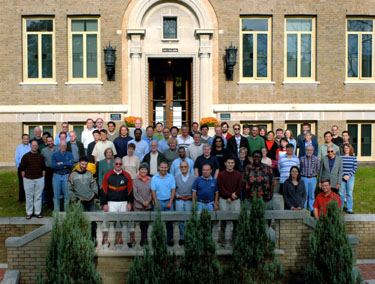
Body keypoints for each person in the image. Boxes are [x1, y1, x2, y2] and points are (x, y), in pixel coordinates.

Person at [101, 158, 134, 246]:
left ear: (122, 164)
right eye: (116, 164)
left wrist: (130, 203)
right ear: (113, 164)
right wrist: (104, 203)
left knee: (125, 222)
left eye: (120, 164)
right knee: (111, 223)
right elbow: (104, 190)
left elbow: (130, 190)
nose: (118, 165)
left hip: (124, 202)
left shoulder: (127, 175)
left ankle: (126, 241)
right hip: (111, 202)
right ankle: (111, 241)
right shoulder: (107, 175)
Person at [217, 157, 242, 246]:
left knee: (236, 221)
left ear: (234, 164)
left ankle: (235, 240)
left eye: (232, 163)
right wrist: (229, 195)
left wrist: (233, 196)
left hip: (235, 200)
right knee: (223, 221)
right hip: (224, 200)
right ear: (225, 163)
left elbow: (240, 187)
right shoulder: (221, 174)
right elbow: (221, 187)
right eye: (228, 162)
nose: (230, 164)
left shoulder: (238, 174)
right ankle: (223, 241)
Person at [151, 161, 176, 246]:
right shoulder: (154, 178)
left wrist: (170, 202)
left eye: (165, 167)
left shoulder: (171, 177)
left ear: (168, 168)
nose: (163, 169)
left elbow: (173, 190)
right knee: (157, 222)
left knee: (169, 222)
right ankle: (158, 239)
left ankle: (169, 239)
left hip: (168, 201)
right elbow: (153, 191)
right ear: (158, 167)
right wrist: (156, 203)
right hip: (158, 202)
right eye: (162, 167)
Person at [20, 140, 45, 219]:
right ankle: (29, 212)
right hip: (28, 179)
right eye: (33, 145)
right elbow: (22, 168)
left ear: (37, 146)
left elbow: (44, 168)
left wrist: (42, 177)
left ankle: (37, 212)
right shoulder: (25, 156)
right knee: (29, 196)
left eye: (36, 145)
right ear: (30, 146)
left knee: (38, 196)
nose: (34, 146)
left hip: (39, 178)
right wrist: (24, 178)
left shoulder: (41, 156)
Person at [175, 161, 196, 245]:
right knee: (180, 220)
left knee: (189, 219)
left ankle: (189, 236)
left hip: (189, 200)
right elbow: (173, 190)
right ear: (180, 168)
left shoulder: (193, 178)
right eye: (182, 167)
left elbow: (195, 190)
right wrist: (178, 196)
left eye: (185, 166)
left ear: (188, 168)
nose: (183, 168)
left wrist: (191, 196)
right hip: (179, 200)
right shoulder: (176, 178)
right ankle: (182, 237)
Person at [133, 163, 152, 246]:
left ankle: (146, 240)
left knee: (146, 225)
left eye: (145, 169)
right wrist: (142, 202)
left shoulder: (151, 179)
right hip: (138, 206)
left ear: (147, 171)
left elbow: (152, 192)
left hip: (148, 206)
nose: (143, 171)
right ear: (139, 170)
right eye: (142, 169)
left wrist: (148, 201)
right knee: (138, 224)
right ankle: (139, 241)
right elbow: (135, 193)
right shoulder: (135, 180)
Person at [51, 141, 74, 212]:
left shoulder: (70, 154)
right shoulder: (54, 155)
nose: (63, 147)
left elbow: (71, 164)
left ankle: (66, 212)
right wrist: (65, 165)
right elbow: (53, 165)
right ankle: (56, 212)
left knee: (67, 195)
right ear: (59, 146)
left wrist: (61, 163)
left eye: (64, 145)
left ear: (66, 146)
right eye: (62, 145)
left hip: (66, 175)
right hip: (56, 176)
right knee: (56, 195)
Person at [299, 145, 320, 212]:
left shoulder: (317, 159)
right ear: (305, 150)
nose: (309, 151)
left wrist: (314, 174)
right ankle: (304, 209)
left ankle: (311, 210)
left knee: (312, 195)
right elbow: (299, 168)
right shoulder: (302, 159)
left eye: (311, 150)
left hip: (312, 179)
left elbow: (318, 169)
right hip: (304, 178)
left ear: (313, 151)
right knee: (304, 194)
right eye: (308, 150)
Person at [339, 143, 357, 214]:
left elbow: (355, 168)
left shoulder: (353, 157)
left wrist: (348, 176)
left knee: (349, 193)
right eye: (345, 148)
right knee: (341, 193)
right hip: (342, 177)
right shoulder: (340, 157)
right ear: (343, 149)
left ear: (350, 149)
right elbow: (339, 167)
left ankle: (349, 208)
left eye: (347, 148)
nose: (346, 149)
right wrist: (343, 175)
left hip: (350, 177)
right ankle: (340, 208)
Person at [41, 136, 58, 211]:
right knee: (49, 188)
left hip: (56, 170)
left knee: (57, 188)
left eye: (51, 141)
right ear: (46, 142)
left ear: (53, 141)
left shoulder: (58, 149)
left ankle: (57, 206)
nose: (50, 142)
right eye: (48, 141)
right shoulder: (44, 150)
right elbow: (42, 162)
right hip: (48, 171)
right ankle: (50, 206)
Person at [15, 134, 31, 202]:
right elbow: (16, 158)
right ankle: (21, 198)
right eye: (24, 139)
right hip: (21, 167)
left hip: (29, 168)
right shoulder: (19, 147)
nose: (26, 140)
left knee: (29, 183)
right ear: (22, 139)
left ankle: (29, 198)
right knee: (22, 183)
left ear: (29, 139)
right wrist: (19, 167)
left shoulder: (31, 146)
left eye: (27, 138)